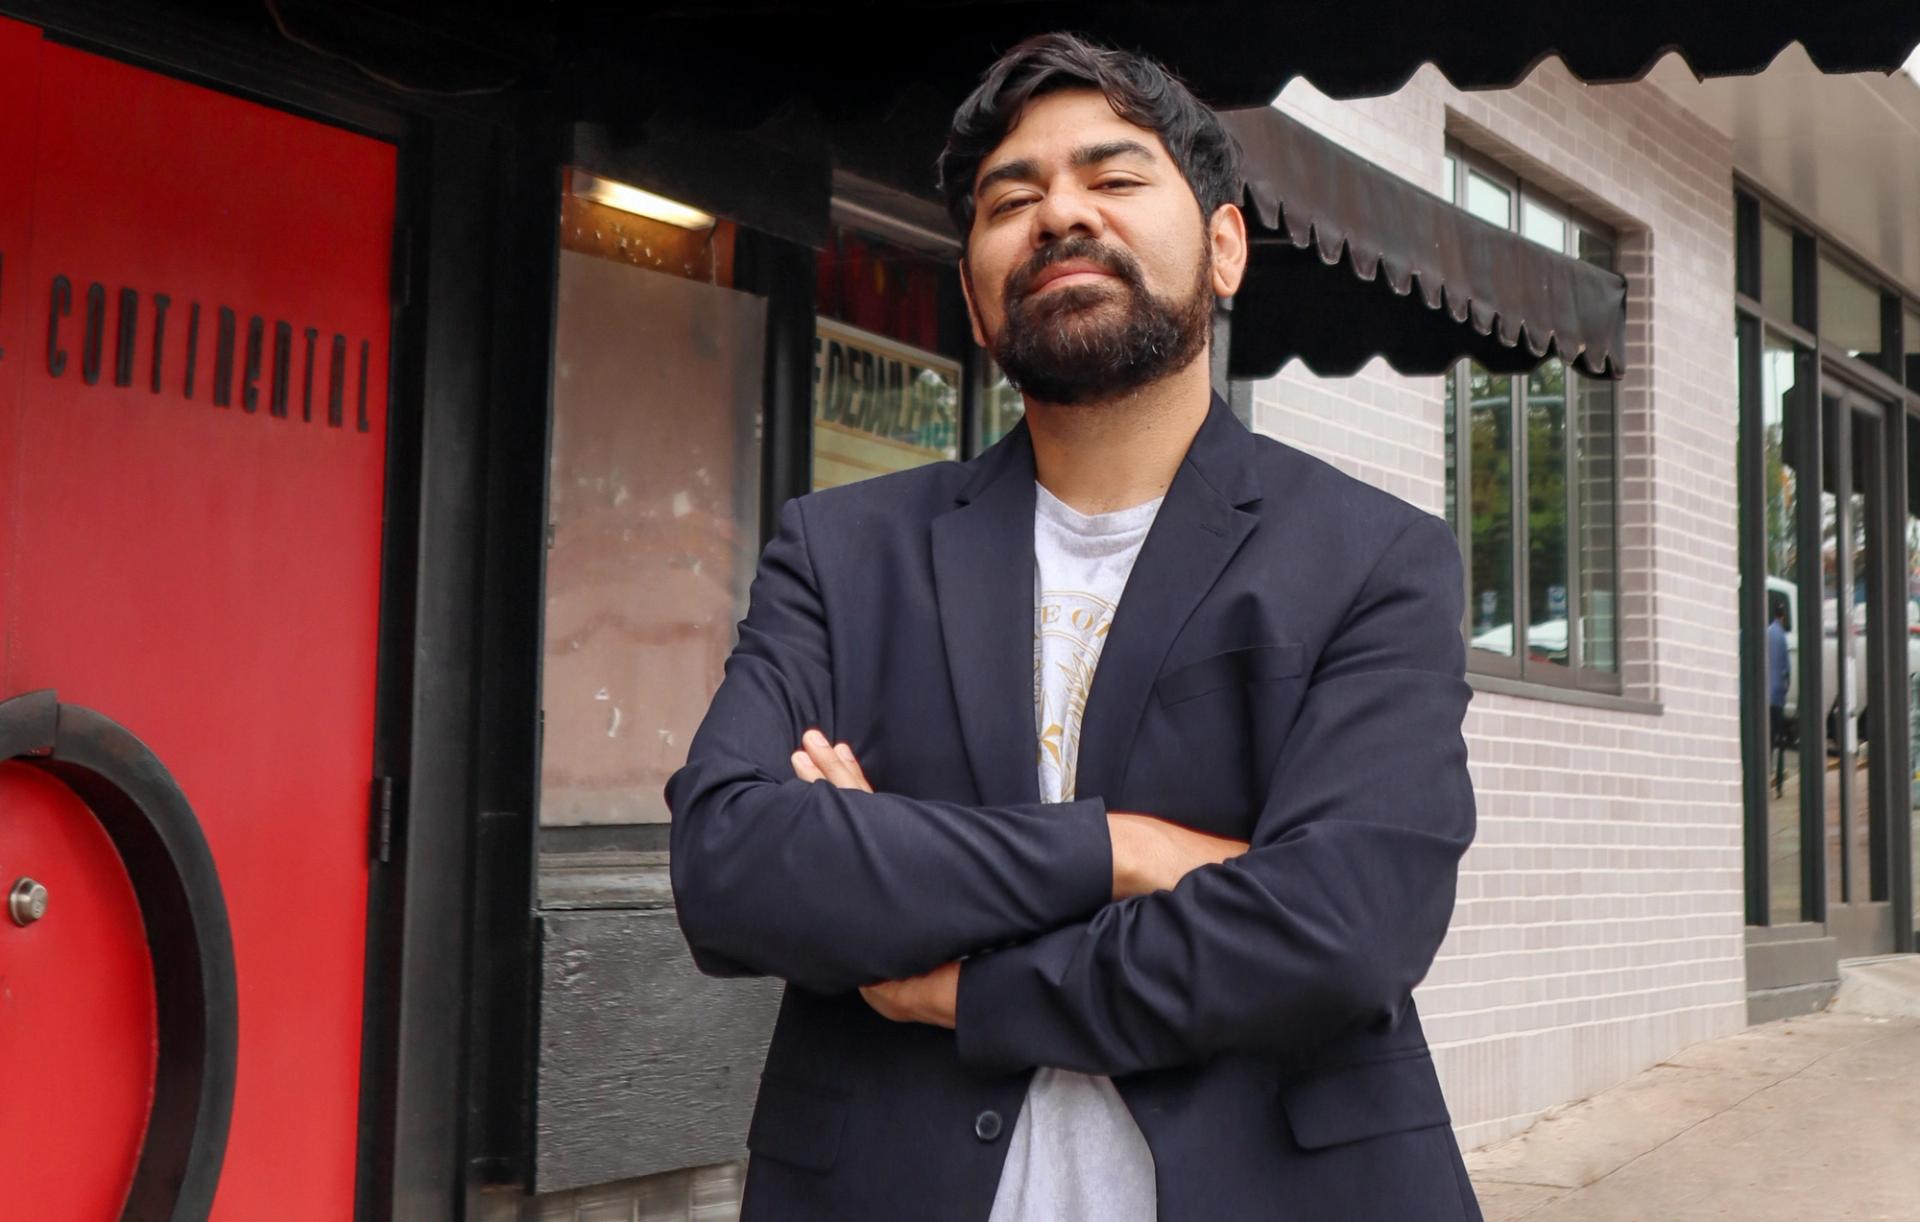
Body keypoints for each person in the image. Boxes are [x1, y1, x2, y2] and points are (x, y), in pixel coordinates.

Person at [667, 32, 1481, 1222]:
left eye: (1112, 178)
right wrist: (1128, 850)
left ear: (1223, 249)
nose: (1059, 217)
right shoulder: (845, 552)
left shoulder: (1372, 558)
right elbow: (733, 869)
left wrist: (959, 980)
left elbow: (1341, 928)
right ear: (973, 297)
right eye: (1014, 198)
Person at [1767, 593, 1792, 794]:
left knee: (1766, 741)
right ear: (1783, 616)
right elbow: (1786, 670)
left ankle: (1765, 775)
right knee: (1779, 740)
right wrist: (1785, 689)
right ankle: (1779, 787)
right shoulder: (1782, 637)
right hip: (1777, 697)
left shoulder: (1767, 633)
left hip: (1765, 696)